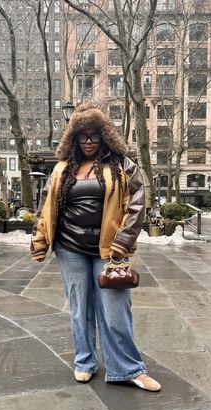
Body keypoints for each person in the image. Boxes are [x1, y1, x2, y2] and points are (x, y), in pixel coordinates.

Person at [31, 102, 161, 392]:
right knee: (79, 308)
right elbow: (46, 207)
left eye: (94, 135)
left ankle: (127, 368)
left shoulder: (123, 166)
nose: (89, 141)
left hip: (110, 249)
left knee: (116, 310)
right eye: (82, 135)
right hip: (69, 248)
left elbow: (137, 205)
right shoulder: (62, 169)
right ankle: (85, 361)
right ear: (73, 138)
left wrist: (123, 241)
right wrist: (40, 242)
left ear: (105, 136)